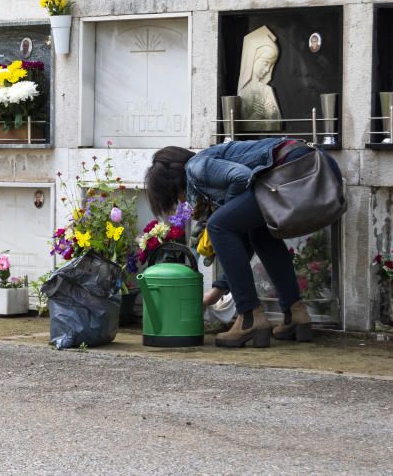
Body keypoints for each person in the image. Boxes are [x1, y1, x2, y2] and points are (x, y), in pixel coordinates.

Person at [144, 139, 342, 348]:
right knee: (258, 234)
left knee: (218, 225)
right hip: (315, 166)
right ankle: (295, 313)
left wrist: (225, 211)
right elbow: (243, 242)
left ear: (174, 183)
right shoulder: (206, 165)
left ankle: (249, 317)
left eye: (176, 197)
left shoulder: (196, 167)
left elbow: (242, 177)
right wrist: (216, 293)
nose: (182, 202)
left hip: (299, 170)